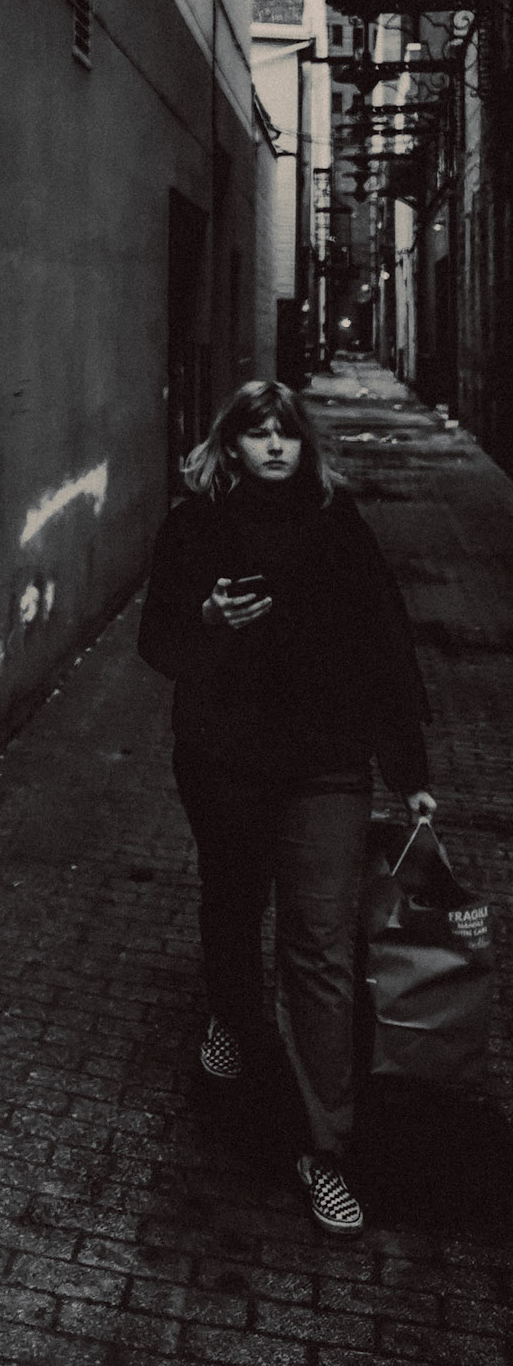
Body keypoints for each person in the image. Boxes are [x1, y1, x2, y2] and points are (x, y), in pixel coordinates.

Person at [138, 379, 434, 1239]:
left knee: (320, 947)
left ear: (305, 446)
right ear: (230, 445)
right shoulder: (192, 527)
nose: (274, 446)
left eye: (288, 434)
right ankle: (232, 1017)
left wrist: (407, 765)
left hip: (327, 765)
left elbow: (384, 641)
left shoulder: (339, 525)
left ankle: (323, 1148)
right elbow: (158, 643)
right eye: (258, 433)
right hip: (224, 761)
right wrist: (208, 617)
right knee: (233, 901)